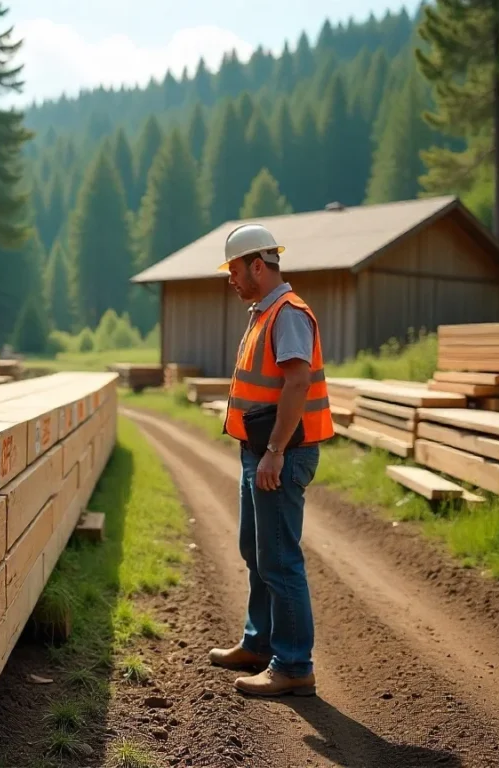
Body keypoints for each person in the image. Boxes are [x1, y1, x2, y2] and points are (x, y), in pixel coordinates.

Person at [207, 223, 334, 697]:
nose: (231, 279)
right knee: (256, 554)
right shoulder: (264, 312)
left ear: (257, 266)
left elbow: (297, 384)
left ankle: (294, 665)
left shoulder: (288, 314)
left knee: (280, 561)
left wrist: (276, 452)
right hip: (259, 453)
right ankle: (259, 644)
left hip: (282, 454)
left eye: (235, 269)